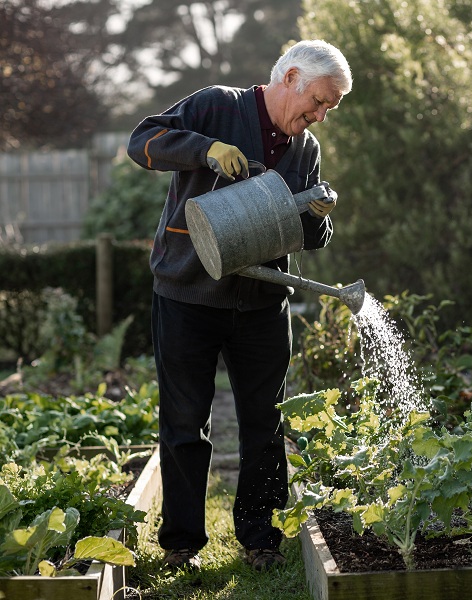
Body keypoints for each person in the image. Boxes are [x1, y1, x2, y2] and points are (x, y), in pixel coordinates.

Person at [127, 40, 352, 572]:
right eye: (319, 102)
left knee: (266, 422)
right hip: (186, 291)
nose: (320, 116)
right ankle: (182, 544)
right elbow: (142, 142)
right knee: (184, 422)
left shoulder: (306, 149)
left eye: (329, 109)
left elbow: (310, 236)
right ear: (292, 77)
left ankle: (261, 538)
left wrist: (319, 214)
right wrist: (204, 150)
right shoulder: (217, 106)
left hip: (261, 300)